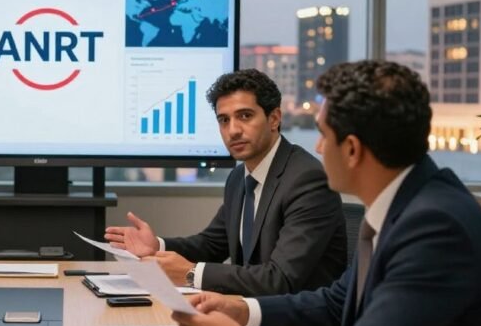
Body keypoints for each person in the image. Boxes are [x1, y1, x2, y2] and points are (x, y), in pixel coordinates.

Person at [174, 61, 481, 326]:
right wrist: (242, 309)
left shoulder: (434, 225)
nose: (316, 147)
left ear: (351, 149)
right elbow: (335, 303)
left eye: (322, 134)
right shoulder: (407, 204)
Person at [105, 69, 346, 295]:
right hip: (247, 311)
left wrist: (190, 273)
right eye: (224, 120)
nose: (233, 131)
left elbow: (279, 278)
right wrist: (157, 245)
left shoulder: (306, 179)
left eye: (245, 116)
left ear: (274, 118)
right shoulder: (239, 177)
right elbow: (212, 244)